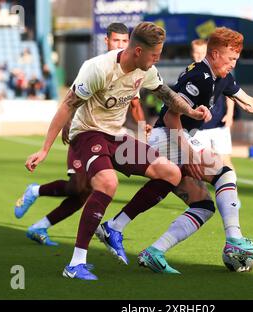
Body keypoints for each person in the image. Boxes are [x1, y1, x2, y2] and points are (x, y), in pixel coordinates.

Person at [95, 27, 253, 274]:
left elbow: (250, 102)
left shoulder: (222, 77)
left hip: (180, 138)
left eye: (236, 59)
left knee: (203, 205)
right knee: (224, 172)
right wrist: (189, 154)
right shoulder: (199, 78)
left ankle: (148, 247)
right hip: (168, 137)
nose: (233, 64)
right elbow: (171, 116)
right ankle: (235, 240)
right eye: (230, 58)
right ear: (214, 54)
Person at [23, 22, 211, 281]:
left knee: (170, 173)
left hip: (115, 136)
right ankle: (75, 263)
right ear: (137, 51)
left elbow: (166, 94)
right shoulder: (98, 69)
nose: (157, 59)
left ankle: (114, 227)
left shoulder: (145, 69)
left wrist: (191, 111)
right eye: (154, 55)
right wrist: (44, 149)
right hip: (87, 134)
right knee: (106, 183)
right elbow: (67, 105)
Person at [14, 23, 151, 246]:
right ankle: (35, 192)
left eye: (125, 41)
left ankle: (40, 225)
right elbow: (71, 100)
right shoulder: (97, 67)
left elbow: (135, 104)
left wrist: (143, 125)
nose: (120, 45)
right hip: (85, 134)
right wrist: (67, 124)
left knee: (82, 192)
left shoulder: (133, 70)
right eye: (116, 40)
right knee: (78, 187)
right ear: (106, 41)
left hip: (108, 136)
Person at [190, 39, 236, 170]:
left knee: (225, 161)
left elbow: (231, 95)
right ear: (192, 54)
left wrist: (230, 114)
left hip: (218, 125)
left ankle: (232, 190)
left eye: (202, 52)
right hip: (198, 128)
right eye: (196, 53)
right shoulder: (188, 74)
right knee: (198, 165)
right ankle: (201, 191)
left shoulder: (220, 72)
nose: (199, 56)